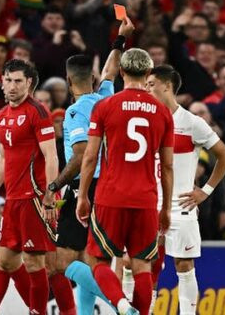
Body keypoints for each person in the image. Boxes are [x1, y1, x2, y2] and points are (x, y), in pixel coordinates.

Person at [76, 48, 174, 315]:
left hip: (111, 195)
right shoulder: (163, 112)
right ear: (147, 74)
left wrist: (83, 195)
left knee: (96, 260)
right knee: (143, 266)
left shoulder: (105, 106)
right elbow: (166, 166)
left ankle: (120, 304)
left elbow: (90, 156)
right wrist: (165, 208)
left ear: (121, 72)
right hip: (146, 198)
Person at [53, 17, 134, 315]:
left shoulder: (75, 111)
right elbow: (112, 69)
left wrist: (55, 185)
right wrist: (120, 40)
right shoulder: (106, 97)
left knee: (60, 262)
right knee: (91, 260)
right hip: (114, 186)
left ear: (68, 80)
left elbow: (80, 155)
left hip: (87, 188)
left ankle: (123, 303)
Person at [146, 64, 225, 314]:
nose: (147, 89)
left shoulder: (192, 123)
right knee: (144, 263)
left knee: (184, 266)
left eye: (151, 84)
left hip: (181, 206)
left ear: (167, 86)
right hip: (149, 204)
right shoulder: (145, 120)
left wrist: (204, 191)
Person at [0, 59, 59, 315]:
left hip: (34, 198)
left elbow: (51, 155)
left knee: (35, 263)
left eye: (18, 81)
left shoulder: (38, 111)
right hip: (12, 199)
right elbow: (3, 159)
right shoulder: (2, 115)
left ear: (29, 83)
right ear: (2, 81)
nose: (12, 86)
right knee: (3, 262)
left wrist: (50, 194)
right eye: (8, 80)